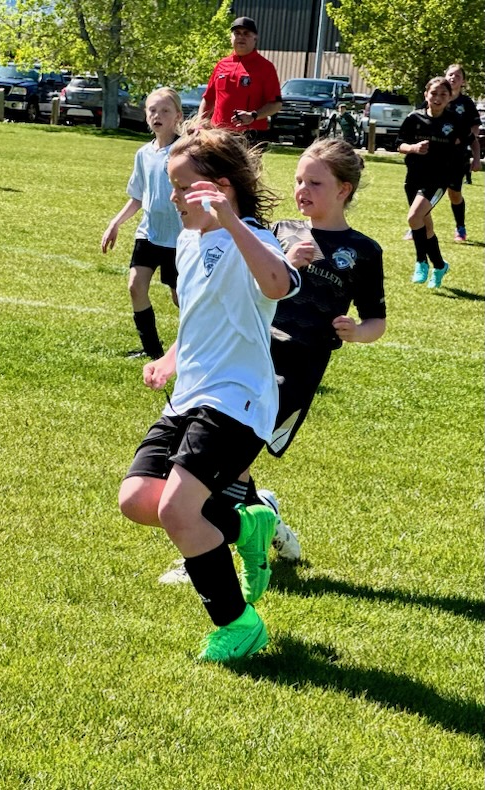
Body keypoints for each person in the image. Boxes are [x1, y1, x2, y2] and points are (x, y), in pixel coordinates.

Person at [160, 139, 387, 586]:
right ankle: (240, 528)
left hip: (298, 369)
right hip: (250, 355)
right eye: (299, 180)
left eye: (315, 183)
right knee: (227, 458)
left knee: (229, 459)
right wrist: (287, 262)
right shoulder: (280, 231)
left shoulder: (363, 250)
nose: (302, 190)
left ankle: (239, 527)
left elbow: (377, 319)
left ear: (344, 189)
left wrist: (357, 331)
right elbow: (251, 279)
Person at [117, 125, 300, 663]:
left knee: (179, 511)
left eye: (181, 187)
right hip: (190, 395)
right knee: (137, 499)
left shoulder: (255, 240)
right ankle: (247, 523)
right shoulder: (189, 242)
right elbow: (202, 316)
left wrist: (231, 221)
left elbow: (278, 285)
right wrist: (171, 357)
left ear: (219, 188)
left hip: (237, 401)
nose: (172, 198)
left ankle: (238, 625)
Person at [101, 87, 183, 360]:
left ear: (178, 116)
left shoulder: (184, 152)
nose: (157, 115)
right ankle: (152, 351)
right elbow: (137, 197)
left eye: (165, 111)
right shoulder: (143, 154)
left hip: (179, 238)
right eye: (152, 110)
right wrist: (115, 223)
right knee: (135, 286)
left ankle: (194, 350)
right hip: (149, 233)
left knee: (181, 299)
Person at [398, 77, 473, 289]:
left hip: (439, 179)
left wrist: (471, 159)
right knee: (425, 226)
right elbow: (399, 144)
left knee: (414, 217)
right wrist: (413, 148)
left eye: (443, 94)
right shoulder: (414, 118)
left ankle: (420, 262)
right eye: (434, 93)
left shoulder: (455, 121)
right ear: (426, 95)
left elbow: (470, 139)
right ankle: (440, 266)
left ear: (449, 98)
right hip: (414, 178)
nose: (437, 98)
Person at [198, 16, 281, 139]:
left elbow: (276, 104)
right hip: (219, 133)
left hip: (250, 134)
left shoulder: (265, 67)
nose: (241, 37)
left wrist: (253, 115)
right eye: (237, 33)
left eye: (246, 33)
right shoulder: (221, 64)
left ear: (255, 38)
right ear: (231, 37)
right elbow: (208, 99)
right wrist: (200, 124)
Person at [441, 64, 481, 242]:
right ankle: (417, 224)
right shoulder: (436, 96)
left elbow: (475, 127)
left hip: (457, 156)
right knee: (426, 191)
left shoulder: (466, 103)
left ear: (463, 81)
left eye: (458, 76)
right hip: (435, 154)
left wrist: (466, 141)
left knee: (454, 193)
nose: (453, 78)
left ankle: (460, 227)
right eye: (450, 74)